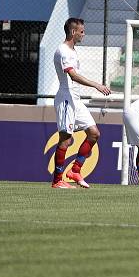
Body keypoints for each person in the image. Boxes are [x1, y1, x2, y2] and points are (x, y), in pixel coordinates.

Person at [51, 17, 111, 189]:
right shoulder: (63, 51)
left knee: (94, 133)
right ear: (73, 32)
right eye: (82, 31)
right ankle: (57, 180)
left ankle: (75, 170)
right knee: (65, 139)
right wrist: (96, 85)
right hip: (66, 99)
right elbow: (73, 76)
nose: (84, 34)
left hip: (75, 99)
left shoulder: (72, 50)